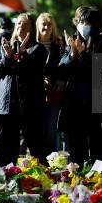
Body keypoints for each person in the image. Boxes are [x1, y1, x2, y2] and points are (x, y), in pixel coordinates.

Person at [58, 6, 102, 166]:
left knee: (101, 160)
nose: (83, 25)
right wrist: (72, 55)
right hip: (76, 109)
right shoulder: (71, 41)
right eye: (80, 21)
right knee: (76, 159)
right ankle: (75, 190)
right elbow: (61, 71)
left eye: (87, 22)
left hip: (101, 113)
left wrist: (84, 56)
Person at [0, 13, 46, 165]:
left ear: (31, 29)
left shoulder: (38, 48)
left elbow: (33, 71)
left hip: (29, 106)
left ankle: (42, 181)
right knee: (4, 147)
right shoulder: (6, 46)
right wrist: (8, 56)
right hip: (7, 105)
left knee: (36, 148)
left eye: (25, 24)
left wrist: (22, 54)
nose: (21, 27)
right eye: (19, 24)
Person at [36, 12, 64, 153]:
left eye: (49, 25)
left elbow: (64, 66)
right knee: (38, 128)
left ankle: (54, 162)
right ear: (38, 26)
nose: (46, 27)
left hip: (53, 92)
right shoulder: (31, 44)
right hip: (35, 93)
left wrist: (60, 79)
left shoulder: (59, 44)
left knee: (52, 128)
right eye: (44, 24)